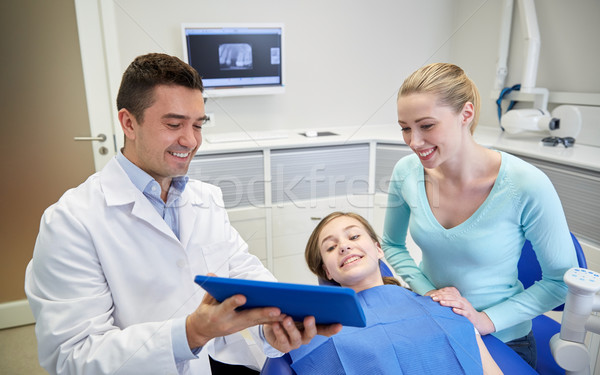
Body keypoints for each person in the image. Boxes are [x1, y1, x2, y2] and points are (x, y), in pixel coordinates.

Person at [24, 53, 340, 375]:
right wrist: (191, 333)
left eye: (198, 125)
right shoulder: (70, 222)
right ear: (129, 123)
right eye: (174, 124)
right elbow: (73, 357)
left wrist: (273, 324)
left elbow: (244, 271)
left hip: (226, 362)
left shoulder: (206, 198)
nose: (190, 140)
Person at [382, 62, 579, 367]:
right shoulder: (406, 172)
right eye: (405, 128)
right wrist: (432, 293)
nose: (414, 142)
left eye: (427, 125)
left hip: (502, 338)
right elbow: (392, 245)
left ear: (466, 114)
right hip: (435, 324)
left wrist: (484, 320)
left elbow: (560, 282)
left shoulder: (527, 185)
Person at [286, 211, 503, 374]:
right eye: (331, 247)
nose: (344, 247)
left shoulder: (442, 305)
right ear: (327, 272)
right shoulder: (317, 333)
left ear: (378, 249)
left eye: (353, 237)